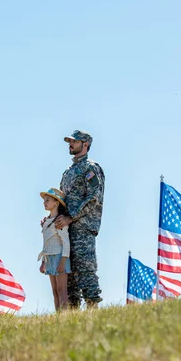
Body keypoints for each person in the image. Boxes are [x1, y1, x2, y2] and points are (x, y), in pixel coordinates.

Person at [55, 130, 105, 309]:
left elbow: (94, 197)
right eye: (69, 141)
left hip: (83, 228)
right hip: (66, 231)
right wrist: (52, 219)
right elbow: (62, 200)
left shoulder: (91, 168)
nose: (70, 144)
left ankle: (93, 313)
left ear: (86, 144)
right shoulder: (68, 172)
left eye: (74, 141)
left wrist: (70, 217)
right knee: (69, 276)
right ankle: (74, 318)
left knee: (86, 272)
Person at [38, 188, 71, 311]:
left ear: (56, 202)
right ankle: (58, 314)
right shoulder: (46, 221)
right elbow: (45, 243)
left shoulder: (59, 220)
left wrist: (63, 260)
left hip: (59, 256)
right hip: (49, 257)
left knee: (62, 289)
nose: (44, 203)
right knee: (55, 290)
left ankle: (65, 314)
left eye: (48, 200)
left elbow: (65, 242)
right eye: (44, 200)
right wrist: (43, 262)